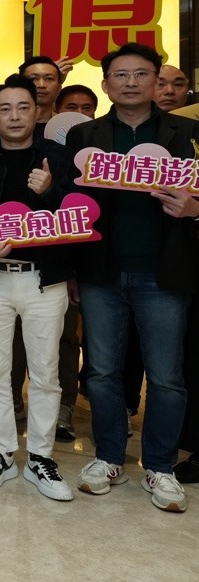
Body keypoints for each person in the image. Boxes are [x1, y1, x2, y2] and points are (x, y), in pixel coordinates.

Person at [66, 42, 197, 513]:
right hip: (100, 271)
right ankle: (108, 458)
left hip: (164, 272)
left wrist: (195, 208)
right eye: (120, 75)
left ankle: (160, 465)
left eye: (141, 74)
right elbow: (70, 204)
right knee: (102, 372)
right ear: (105, 85)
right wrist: (71, 270)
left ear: (157, 81)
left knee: (166, 377)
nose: (130, 82)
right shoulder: (84, 135)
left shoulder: (188, 133)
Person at [0, 75, 77, 501]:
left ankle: (41, 457)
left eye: (23, 107)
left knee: (46, 372)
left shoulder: (59, 158)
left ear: (37, 110)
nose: (14, 116)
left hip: (45, 279)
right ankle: (2, 452)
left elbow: (79, 215)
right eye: (5, 108)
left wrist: (50, 192)